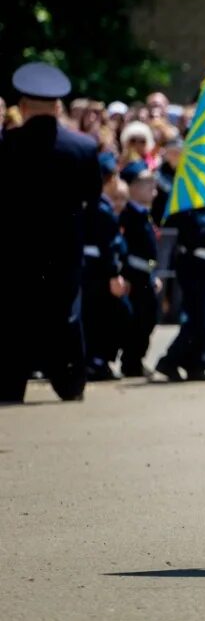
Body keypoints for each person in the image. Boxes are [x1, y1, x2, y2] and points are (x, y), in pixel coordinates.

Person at [0, 63, 99, 402]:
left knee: (14, 318)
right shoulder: (83, 148)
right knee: (65, 317)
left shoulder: (6, 145)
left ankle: (10, 385)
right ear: (58, 107)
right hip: (65, 251)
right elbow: (93, 198)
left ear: (23, 107)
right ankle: (70, 383)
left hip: (16, 251)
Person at [156, 205, 205, 381]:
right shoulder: (187, 212)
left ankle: (196, 365)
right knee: (198, 320)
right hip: (193, 267)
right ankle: (170, 360)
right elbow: (189, 240)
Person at [82, 152, 129, 381]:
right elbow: (108, 245)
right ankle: (97, 362)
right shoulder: (101, 208)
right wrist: (113, 275)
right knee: (105, 318)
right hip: (99, 273)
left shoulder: (82, 202)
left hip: (84, 270)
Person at [117, 161, 160, 380]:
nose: (153, 185)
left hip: (145, 275)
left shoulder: (144, 213)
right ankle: (130, 362)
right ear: (131, 186)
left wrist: (152, 274)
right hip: (133, 276)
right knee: (137, 321)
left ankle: (135, 361)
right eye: (145, 182)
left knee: (148, 318)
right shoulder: (127, 215)